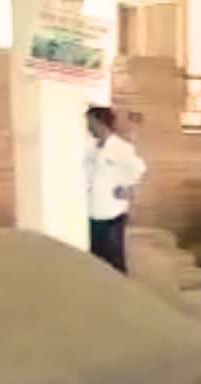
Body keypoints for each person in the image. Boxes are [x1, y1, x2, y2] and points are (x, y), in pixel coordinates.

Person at [85, 106, 147, 273]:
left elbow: (139, 169)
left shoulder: (121, 148)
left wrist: (128, 189)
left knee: (114, 260)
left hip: (112, 214)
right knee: (96, 259)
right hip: (93, 211)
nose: (88, 127)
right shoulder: (91, 149)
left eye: (90, 123)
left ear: (100, 123)